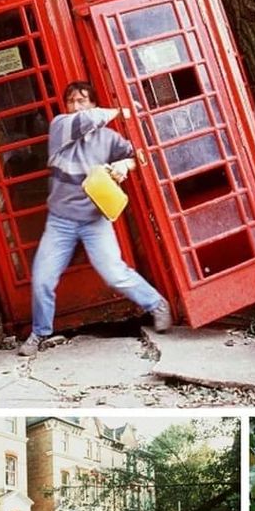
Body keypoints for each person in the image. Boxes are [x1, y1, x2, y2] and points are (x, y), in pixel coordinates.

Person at [19, 81, 172, 355]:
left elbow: (136, 156)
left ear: (92, 103)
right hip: (60, 221)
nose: (76, 106)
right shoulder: (60, 127)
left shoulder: (109, 139)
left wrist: (124, 165)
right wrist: (121, 111)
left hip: (95, 220)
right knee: (42, 278)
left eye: (83, 100)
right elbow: (87, 120)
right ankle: (40, 333)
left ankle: (156, 304)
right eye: (72, 101)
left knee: (115, 274)